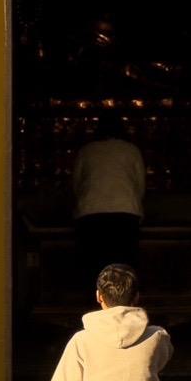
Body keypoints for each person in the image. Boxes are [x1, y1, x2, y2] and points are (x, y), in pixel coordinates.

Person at [73, 110, 146, 291]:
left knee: (94, 266)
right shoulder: (131, 150)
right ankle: (123, 304)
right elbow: (140, 185)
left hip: (91, 213)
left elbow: (76, 185)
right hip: (126, 213)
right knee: (124, 269)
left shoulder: (87, 151)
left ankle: (96, 304)